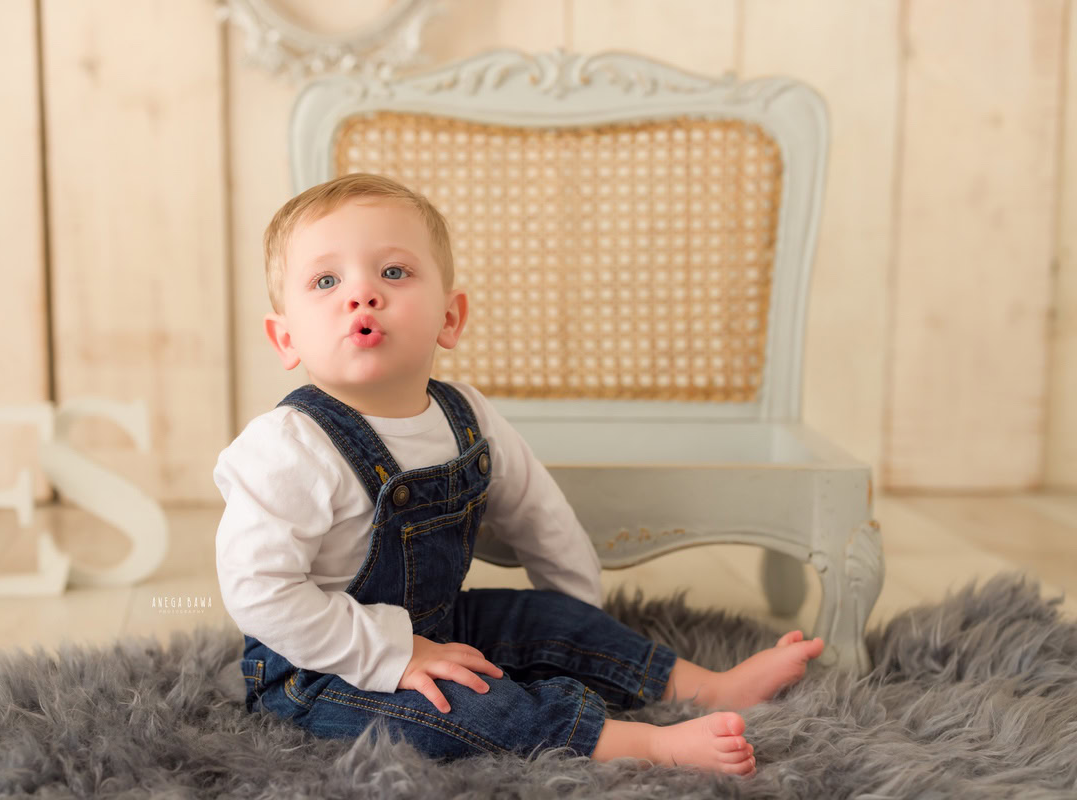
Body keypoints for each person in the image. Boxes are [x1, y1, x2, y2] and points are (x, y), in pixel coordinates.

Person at [214, 172, 825, 774]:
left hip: (441, 623)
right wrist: (395, 653)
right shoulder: (289, 446)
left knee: (545, 618)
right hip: (318, 667)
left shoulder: (467, 414)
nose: (362, 294)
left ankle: (706, 686)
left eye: (393, 272)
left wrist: (577, 629)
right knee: (457, 707)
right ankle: (637, 743)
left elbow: (541, 517)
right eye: (326, 280)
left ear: (450, 318)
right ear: (285, 338)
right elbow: (261, 593)